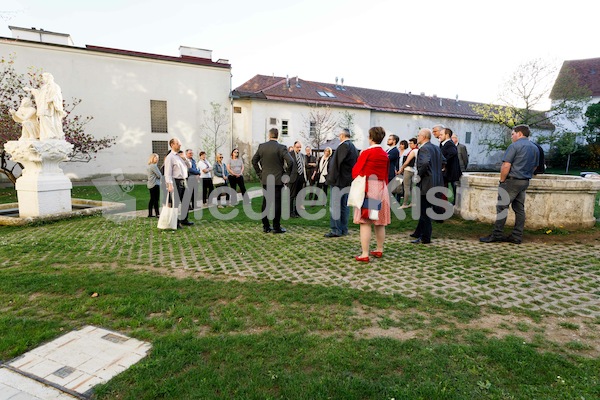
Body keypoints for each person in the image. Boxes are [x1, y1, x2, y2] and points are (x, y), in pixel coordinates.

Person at [480, 125, 539, 244]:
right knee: (519, 209)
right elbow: (535, 166)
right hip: (524, 181)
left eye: (513, 134)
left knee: (502, 208)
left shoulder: (514, 146)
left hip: (511, 181)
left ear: (520, 133)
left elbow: (506, 165)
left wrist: (502, 180)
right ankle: (517, 236)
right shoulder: (535, 147)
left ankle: (497, 234)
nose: (511, 137)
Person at [352, 127, 391, 262]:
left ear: (370, 137)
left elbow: (356, 170)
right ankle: (379, 249)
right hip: (381, 187)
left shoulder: (366, 152)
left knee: (365, 221)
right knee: (379, 222)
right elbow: (386, 173)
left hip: (369, 187)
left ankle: (365, 253)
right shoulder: (385, 154)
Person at [252, 128, 294, 233]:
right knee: (277, 203)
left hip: (266, 179)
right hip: (277, 179)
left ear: (269, 135)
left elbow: (254, 161)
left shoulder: (262, 147)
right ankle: (276, 227)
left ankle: (266, 226)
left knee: (266, 203)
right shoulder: (281, 147)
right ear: (277, 135)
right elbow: (291, 161)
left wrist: (260, 173)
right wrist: (286, 175)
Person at [410, 128, 443, 244]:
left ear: (424, 136)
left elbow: (424, 163)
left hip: (426, 184)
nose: (417, 137)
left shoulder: (424, 148)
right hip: (436, 182)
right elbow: (444, 162)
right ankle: (421, 234)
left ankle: (425, 237)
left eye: (418, 135)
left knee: (424, 212)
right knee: (427, 210)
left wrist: (419, 175)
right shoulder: (436, 148)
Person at [324, 128, 358, 238]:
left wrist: (330, 178)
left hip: (339, 181)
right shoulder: (353, 147)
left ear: (342, 136)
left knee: (335, 206)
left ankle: (336, 230)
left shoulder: (343, 146)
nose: (339, 137)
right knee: (344, 206)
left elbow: (336, 164)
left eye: (339, 135)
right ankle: (343, 229)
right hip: (348, 181)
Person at [24, 73, 65, 140]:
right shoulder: (44, 87)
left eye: (44, 78)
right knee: (43, 120)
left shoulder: (55, 86)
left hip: (49, 107)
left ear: (48, 78)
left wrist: (51, 100)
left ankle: (51, 135)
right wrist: (30, 90)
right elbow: (39, 94)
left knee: (49, 120)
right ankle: (45, 135)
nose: (43, 79)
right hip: (43, 106)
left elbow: (57, 96)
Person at [164, 138, 193, 227]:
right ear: (172, 145)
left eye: (180, 143)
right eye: (178, 143)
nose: (180, 145)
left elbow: (189, 166)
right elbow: (167, 173)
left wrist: (185, 158)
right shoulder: (170, 157)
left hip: (184, 180)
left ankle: (184, 219)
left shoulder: (180, 156)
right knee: (175, 203)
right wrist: (169, 185)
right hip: (175, 181)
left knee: (186, 201)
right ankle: (175, 222)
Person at [440, 128, 462, 205]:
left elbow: (453, 153)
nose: (439, 136)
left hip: (451, 172)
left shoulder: (449, 144)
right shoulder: (444, 143)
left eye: (441, 134)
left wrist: (444, 163)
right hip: (448, 172)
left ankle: (455, 205)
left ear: (447, 135)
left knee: (455, 190)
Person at [398, 137, 418, 208]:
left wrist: (401, 169)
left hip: (408, 170)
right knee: (412, 187)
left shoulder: (413, 151)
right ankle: (413, 202)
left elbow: (406, 162)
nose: (410, 145)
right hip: (414, 170)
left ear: (415, 144)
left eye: (411, 143)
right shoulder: (419, 150)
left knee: (406, 187)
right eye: (409, 143)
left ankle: (405, 203)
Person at [288, 141, 307, 218]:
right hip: (293, 177)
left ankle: (297, 211)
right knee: (291, 196)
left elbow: (303, 166)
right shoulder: (289, 155)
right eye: (297, 147)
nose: (299, 149)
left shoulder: (302, 156)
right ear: (294, 146)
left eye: (300, 147)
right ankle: (291, 212)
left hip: (300, 177)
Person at [386, 134, 401, 202]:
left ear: (394, 141)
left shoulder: (395, 151)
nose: (388, 140)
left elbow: (386, 159)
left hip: (390, 173)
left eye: (389, 139)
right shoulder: (388, 150)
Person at [146, 153, 162, 218]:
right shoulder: (153, 166)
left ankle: (150, 214)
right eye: (156, 158)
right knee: (156, 200)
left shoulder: (150, 165)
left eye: (158, 158)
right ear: (152, 158)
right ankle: (157, 214)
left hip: (150, 185)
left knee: (152, 200)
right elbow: (159, 175)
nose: (157, 159)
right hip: (155, 184)